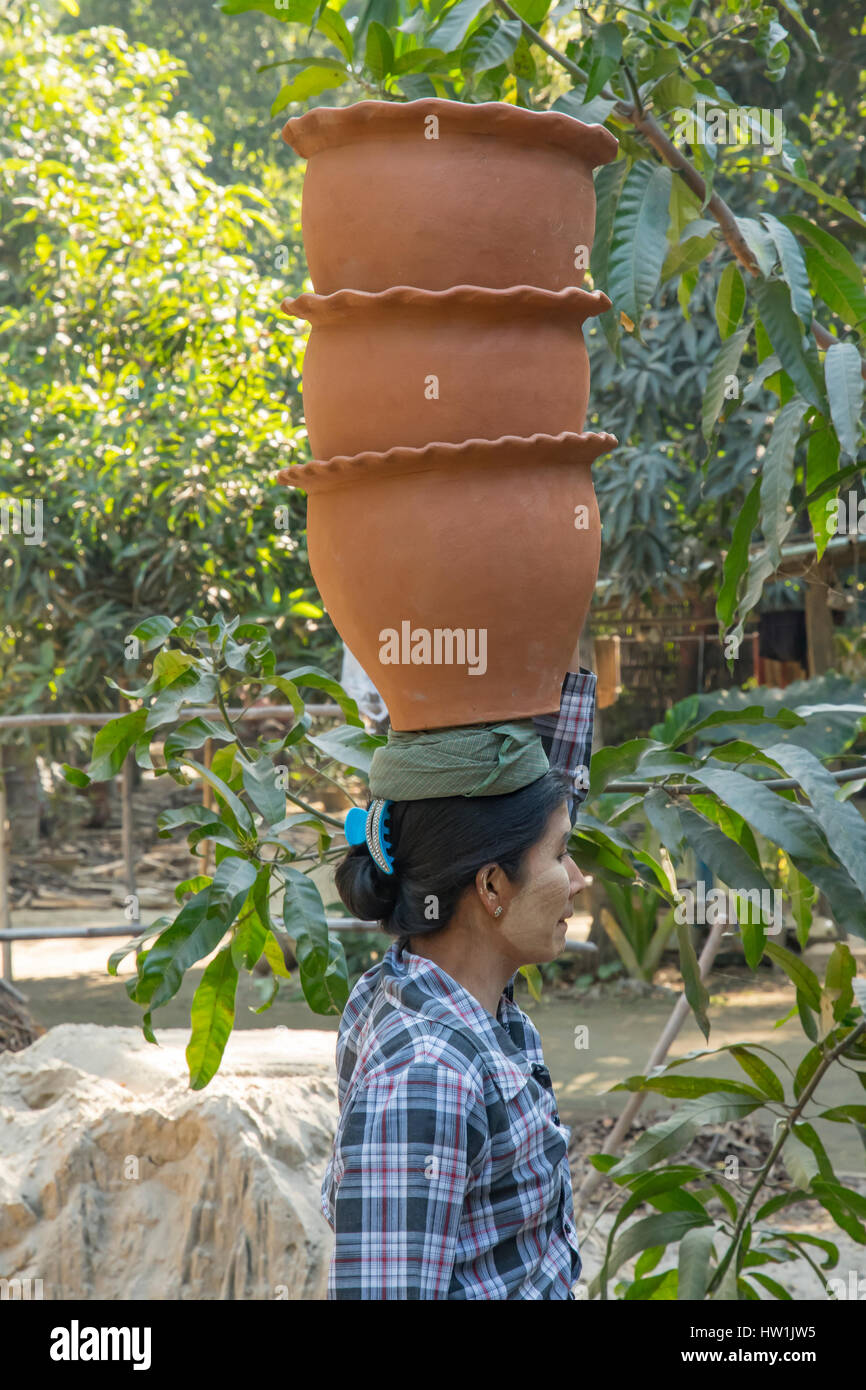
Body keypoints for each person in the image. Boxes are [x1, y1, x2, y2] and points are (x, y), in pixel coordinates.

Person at [321, 649, 597, 1300]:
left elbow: (536, 800)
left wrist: (557, 642)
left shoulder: (430, 991)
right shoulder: (429, 1077)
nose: (580, 880)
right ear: (493, 886)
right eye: (563, 855)